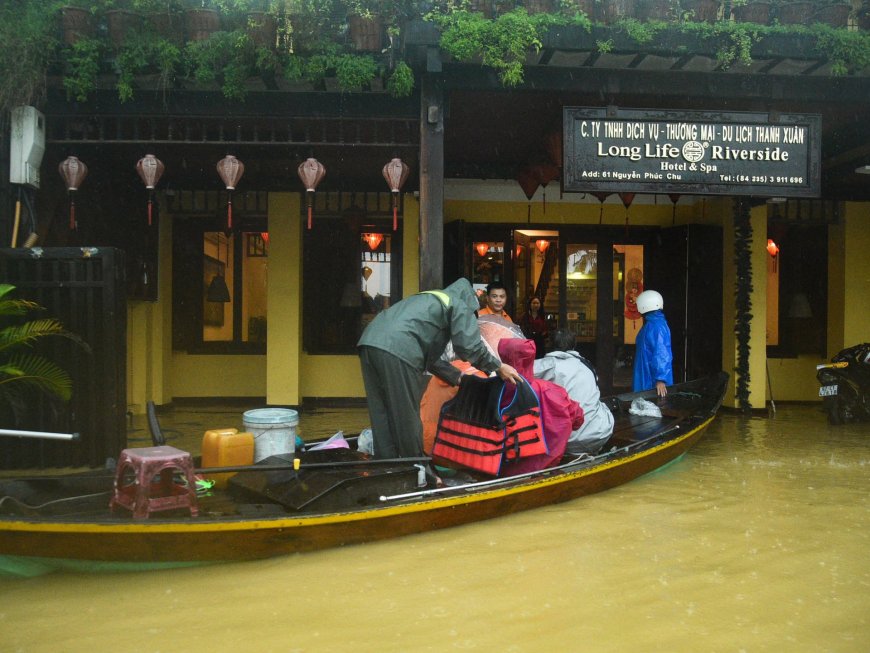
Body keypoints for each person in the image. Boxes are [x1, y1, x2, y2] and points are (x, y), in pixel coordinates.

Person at [358, 278, 523, 460]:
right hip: (399, 349)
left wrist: (456, 377)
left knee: (381, 411)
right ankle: (416, 470)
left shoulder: (432, 298)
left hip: (368, 341)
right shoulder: (460, 303)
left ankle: (386, 467)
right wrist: (498, 366)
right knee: (406, 415)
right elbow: (469, 347)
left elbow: (431, 358)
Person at [497, 337, 584, 474]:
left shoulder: (491, 390)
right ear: (531, 356)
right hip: (546, 464)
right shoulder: (551, 390)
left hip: (503, 469)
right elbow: (578, 419)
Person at [533, 328, 614, 455]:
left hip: (566, 440)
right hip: (600, 434)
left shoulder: (547, 365)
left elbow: (519, 373)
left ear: (549, 344)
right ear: (574, 345)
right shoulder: (586, 364)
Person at [632, 289, 673, 397]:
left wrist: (661, 379)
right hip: (646, 374)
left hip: (651, 378)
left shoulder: (657, 326)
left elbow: (662, 353)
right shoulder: (652, 324)